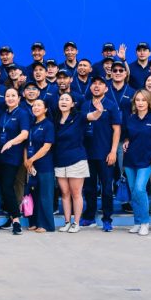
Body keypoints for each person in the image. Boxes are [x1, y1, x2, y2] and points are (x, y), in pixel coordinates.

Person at [80, 76, 120, 232]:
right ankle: (89, 216)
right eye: (94, 84)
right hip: (87, 154)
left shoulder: (111, 105)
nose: (96, 86)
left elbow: (117, 129)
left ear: (106, 88)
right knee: (89, 188)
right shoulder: (85, 105)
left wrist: (113, 151)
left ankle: (107, 219)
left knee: (107, 189)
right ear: (90, 88)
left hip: (105, 154)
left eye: (100, 84)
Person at [54, 93, 91, 233]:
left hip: (76, 159)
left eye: (67, 99)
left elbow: (92, 116)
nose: (63, 101)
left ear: (73, 104)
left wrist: (99, 110)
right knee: (64, 193)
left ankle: (76, 223)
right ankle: (67, 222)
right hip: (60, 160)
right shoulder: (55, 119)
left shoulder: (79, 116)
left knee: (76, 193)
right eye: (61, 99)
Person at [0, 88, 29, 235]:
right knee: (3, 188)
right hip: (0, 156)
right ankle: (11, 217)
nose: (10, 98)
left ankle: (16, 221)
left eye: (13, 95)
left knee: (8, 187)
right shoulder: (3, 114)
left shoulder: (22, 113)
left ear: (19, 98)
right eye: (7, 96)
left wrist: (11, 142)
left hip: (13, 156)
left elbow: (24, 134)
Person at [121, 89, 151, 236]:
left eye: (143, 100)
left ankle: (145, 222)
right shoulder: (130, 118)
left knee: (140, 189)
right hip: (130, 159)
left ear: (148, 101)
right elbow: (127, 135)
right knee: (133, 191)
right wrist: (126, 140)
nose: (140, 103)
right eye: (138, 100)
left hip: (147, 159)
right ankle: (137, 222)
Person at [25, 99, 55, 233]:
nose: (35, 107)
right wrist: (27, 161)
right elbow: (26, 145)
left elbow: (46, 147)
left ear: (45, 109)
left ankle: (46, 225)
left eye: (39, 105)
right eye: (34, 105)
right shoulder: (31, 124)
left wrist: (31, 159)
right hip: (31, 165)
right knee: (34, 194)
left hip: (44, 165)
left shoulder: (48, 125)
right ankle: (35, 222)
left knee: (45, 195)